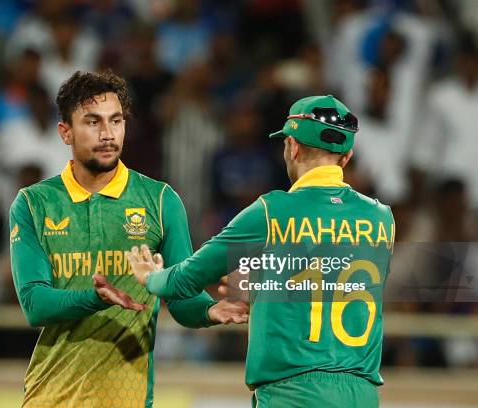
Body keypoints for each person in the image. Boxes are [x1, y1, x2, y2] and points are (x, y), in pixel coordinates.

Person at [128, 95, 395, 408]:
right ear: (346, 157)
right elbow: (335, 279)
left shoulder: (271, 211)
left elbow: (184, 281)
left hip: (293, 394)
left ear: (292, 147)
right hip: (362, 395)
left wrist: (151, 278)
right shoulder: (381, 218)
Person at [9, 70, 248, 407]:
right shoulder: (34, 203)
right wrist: (97, 298)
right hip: (49, 396)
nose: (107, 134)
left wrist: (210, 311)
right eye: (92, 122)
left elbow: (181, 299)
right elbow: (34, 305)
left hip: (128, 399)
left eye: (116, 121)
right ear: (65, 132)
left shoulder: (161, 200)